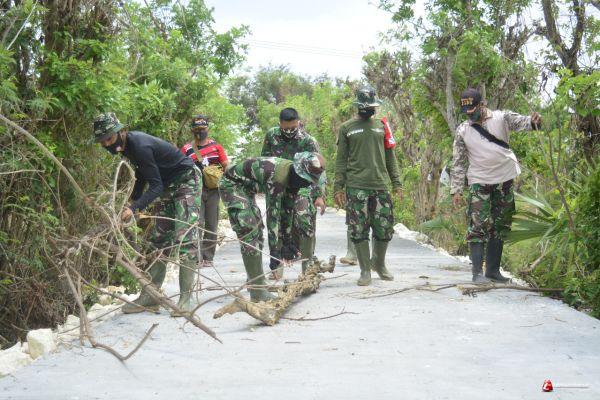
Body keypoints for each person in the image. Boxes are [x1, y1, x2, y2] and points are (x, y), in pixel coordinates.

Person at [92, 112, 201, 316]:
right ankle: (151, 297)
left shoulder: (140, 145)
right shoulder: (127, 147)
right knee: (158, 240)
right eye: (102, 141)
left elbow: (155, 186)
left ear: (120, 132)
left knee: (185, 236)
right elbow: (142, 175)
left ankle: (187, 299)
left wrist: (134, 208)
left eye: (109, 138)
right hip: (167, 186)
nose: (106, 144)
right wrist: (132, 201)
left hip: (186, 180)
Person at [450, 88, 542, 283]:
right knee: (477, 225)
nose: (469, 115)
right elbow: (458, 162)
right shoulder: (463, 130)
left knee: (501, 225)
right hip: (479, 181)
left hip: (504, 179)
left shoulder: (501, 117)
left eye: (473, 110)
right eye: (466, 112)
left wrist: (535, 121)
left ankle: (492, 271)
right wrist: (456, 189)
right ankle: (477, 273)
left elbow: (524, 122)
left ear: (482, 105)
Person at [219, 152, 325, 302]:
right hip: (232, 185)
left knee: (256, 230)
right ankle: (257, 291)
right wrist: (275, 253)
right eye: (307, 179)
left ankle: (256, 281)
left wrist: (287, 241)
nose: (308, 183)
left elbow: (287, 210)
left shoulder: (295, 181)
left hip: (248, 188)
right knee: (250, 230)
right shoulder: (279, 178)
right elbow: (273, 217)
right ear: (299, 173)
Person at [334, 85, 402, 286]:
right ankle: (365, 270)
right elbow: (341, 160)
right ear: (358, 106)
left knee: (384, 228)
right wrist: (338, 187)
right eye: (365, 106)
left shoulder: (382, 126)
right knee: (358, 229)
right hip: (356, 186)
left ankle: (379, 264)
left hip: (380, 185)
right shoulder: (346, 128)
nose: (368, 109)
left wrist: (397, 183)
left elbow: (390, 157)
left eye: (371, 106)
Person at [261, 108, 326, 278]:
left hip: (301, 185)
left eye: (293, 127)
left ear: (298, 123)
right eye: (286, 128)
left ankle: (307, 266)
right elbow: (265, 161)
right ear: (280, 124)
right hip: (278, 184)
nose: (289, 131)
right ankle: (277, 266)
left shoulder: (308, 141)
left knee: (304, 219)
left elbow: (318, 169)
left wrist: (319, 195)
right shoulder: (271, 136)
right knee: (275, 224)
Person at [181, 115, 229, 268]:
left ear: (207, 129)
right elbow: (181, 167)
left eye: (202, 129)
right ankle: (196, 257)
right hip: (195, 190)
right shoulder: (187, 149)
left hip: (214, 190)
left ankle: (208, 257)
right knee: (197, 223)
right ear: (192, 130)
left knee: (212, 224)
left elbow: (226, 166)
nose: (200, 132)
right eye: (197, 129)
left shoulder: (217, 147)